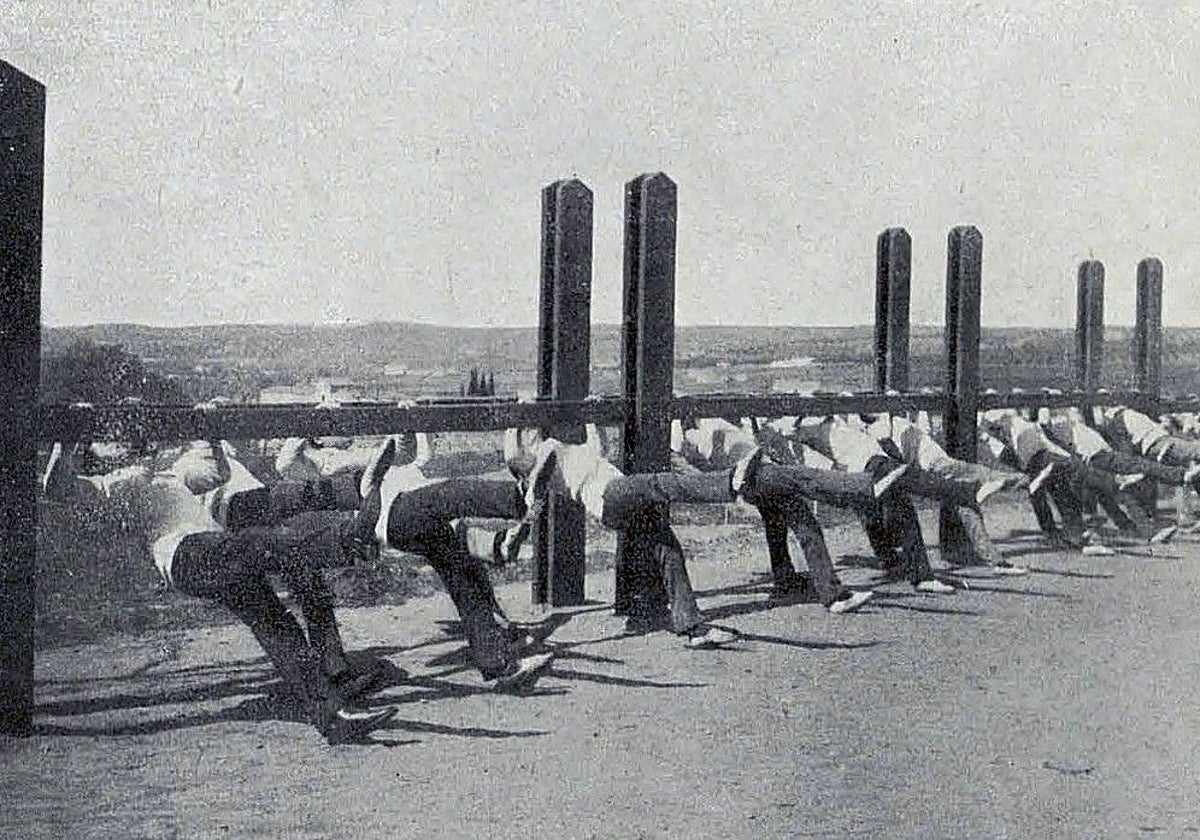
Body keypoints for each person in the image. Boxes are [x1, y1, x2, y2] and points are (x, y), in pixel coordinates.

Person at [41, 438, 401, 745]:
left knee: (277, 625)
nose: (124, 443)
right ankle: (350, 539)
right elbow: (55, 488)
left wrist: (209, 433)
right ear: (94, 455)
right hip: (187, 556)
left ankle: (332, 718)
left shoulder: (169, 474)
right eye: (109, 442)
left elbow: (218, 472)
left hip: (217, 553)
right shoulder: (107, 486)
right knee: (264, 543)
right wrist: (65, 442)